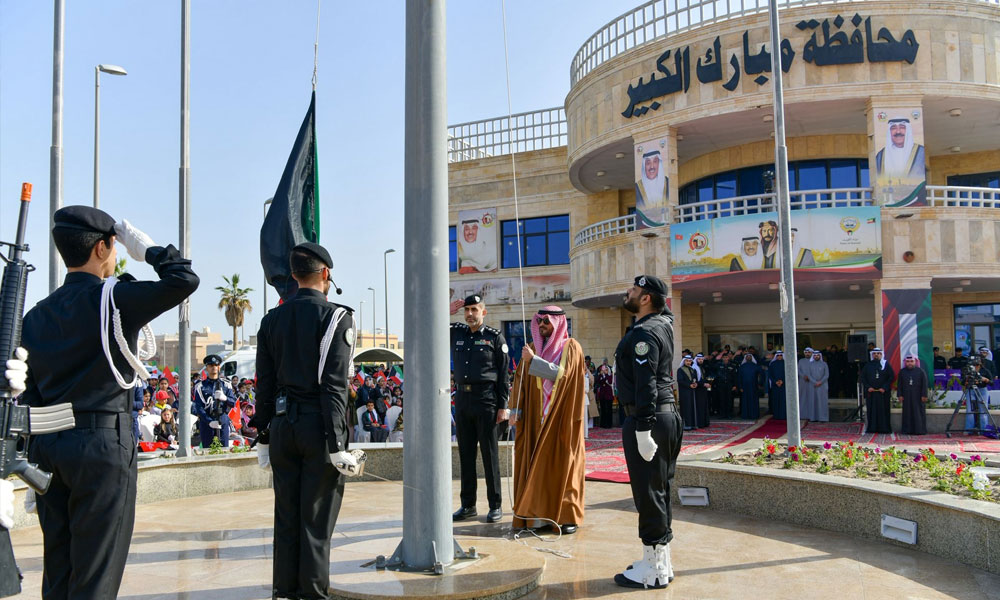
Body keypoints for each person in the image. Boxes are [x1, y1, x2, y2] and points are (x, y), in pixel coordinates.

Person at [21, 205, 198, 599]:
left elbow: (29, 396)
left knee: (59, 573)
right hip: (101, 446)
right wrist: (149, 250)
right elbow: (184, 279)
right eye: (115, 247)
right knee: (96, 575)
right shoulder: (114, 299)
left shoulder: (36, 316)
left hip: (50, 448)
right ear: (102, 248)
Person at [251, 241, 361, 600]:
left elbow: (263, 384)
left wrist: (264, 435)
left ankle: (284, 593)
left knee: (286, 518)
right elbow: (334, 385)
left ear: (295, 276)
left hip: (283, 427)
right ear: (325, 274)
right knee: (315, 523)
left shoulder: (271, 319)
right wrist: (337, 444)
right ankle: (312, 595)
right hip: (318, 428)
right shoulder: (336, 318)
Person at [613, 275, 680, 589]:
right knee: (660, 490)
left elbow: (646, 385)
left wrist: (642, 429)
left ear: (645, 299)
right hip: (664, 416)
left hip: (648, 418)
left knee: (649, 493)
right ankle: (660, 562)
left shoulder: (645, 332)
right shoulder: (661, 325)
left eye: (634, 291)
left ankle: (652, 572)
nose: (627, 293)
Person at [508, 306, 587, 534]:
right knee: (537, 466)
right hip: (535, 420)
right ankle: (537, 518)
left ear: (558, 322)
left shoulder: (571, 347)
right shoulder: (532, 349)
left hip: (562, 417)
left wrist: (534, 361)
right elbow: (520, 382)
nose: (542, 325)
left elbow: (562, 374)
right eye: (539, 321)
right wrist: (515, 410)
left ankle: (567, 516)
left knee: (565, 465)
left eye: (546, 321)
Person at [450, 295, 510, 523]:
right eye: (466, 310)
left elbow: (504, 375)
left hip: (487, 400)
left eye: (474, 309)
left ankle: (495, 505)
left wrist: (503, 406)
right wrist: (447, 309)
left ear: (483, 312)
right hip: (463, 400)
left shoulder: (494, 337)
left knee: (489, 455)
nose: (469, 314)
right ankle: (468, 505)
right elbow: (430, 326)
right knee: (466, 455)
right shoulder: (456, 332)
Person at [193, 354, 237, 447]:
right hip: (207, 422)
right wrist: (209, 421)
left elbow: (233, 403)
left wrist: (225, 398)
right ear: (207, 368)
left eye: (216, 365)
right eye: (211, 365)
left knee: (224, 450)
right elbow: (199, 407)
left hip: (222, 420)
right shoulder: (200, 386)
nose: (214, 368)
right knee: (208, 451)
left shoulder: (226, 384)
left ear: (219, 367)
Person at [861, 348, 894, 433]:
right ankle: (872, 428)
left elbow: (891, 377)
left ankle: (884, 429)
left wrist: (884, 387)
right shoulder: (868, 365)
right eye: (874, 353)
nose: (876, 355)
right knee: (872, 411)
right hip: (871, 393)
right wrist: (868, 387)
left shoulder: (886, 364)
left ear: (881, 354)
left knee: (883, 411)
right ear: (872, 355)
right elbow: (863, 377)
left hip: (883, 393)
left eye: (878, 353)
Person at [897, 355, 928, 435]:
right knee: (907, 413)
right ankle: (907, 430)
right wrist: (899, 395)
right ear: (905, 362)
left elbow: (924, 384)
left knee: (918, 413)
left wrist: (924, 395)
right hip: (906, 396)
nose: (909, 363)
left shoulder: (921, 371)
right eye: (908, 362)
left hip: (918, 396)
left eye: (911, 361)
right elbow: (899, 384)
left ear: (915, 362)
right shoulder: (902, 372)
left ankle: (919, 430)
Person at [965, 356, 994, 433]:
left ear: (980, 364)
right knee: (969, 409)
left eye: (977, 365)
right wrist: (967, 381)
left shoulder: (985, 371)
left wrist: (985, 379)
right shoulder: (968, 371)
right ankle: (969, 429)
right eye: (974, 365)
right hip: (971, 389)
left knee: (983, 410)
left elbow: (992, 383)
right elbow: (963, 381)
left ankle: (984, 430)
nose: (976, 367)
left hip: (982, 389)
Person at [804, 351, 830, 422]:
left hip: (822, 386)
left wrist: (820, 382)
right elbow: (808, 375)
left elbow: (826, 375)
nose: (816, 357)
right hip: (813, 385)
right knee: (813, 401)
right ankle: (813, 418)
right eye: (815, 355)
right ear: (813, 356)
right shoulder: (810, 364)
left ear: (820, 356)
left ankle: (823, 418)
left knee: (822, 402)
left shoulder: (824, 364)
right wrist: (815, 382)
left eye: (817, 355)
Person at [713, 352, 738, 419]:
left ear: (728, 358)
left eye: (726, 357)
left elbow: (735, 376)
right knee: (721, 400)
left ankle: (729, 414)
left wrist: (735, 385)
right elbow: (713, 368)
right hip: (721, 384)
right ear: (722, 358)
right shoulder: (718, 365)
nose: (725, 359)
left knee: (729, 400)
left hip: (729, 384)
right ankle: (722, 414)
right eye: (724, 357)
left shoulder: (732, 365)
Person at [676, 355, 698, 431]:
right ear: (684, 361)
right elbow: (680, 381)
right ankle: (686, 425)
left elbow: (695, 379)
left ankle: (692, 424)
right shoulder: (680, 370)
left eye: (690, 361)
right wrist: (689, 385)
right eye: (687, 361)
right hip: (684, 392)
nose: (688, 362)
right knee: (686, 408)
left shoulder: (693, 370)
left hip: (692, 392)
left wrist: (695, 384)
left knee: (692, 407)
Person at [738, 353, 761, 420]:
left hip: (754, 387)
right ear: (745, 358)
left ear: (752, 357)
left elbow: (761, 375)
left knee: (753, 401)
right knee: (745, 401)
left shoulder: (756, 366)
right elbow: (739, 377)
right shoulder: (742, 367)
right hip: (744, 387)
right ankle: (745, 415)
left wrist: (760, 384)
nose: (748, 357)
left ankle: (754, 415)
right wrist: (740, 387)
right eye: (747, 356)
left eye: (749, 356)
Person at [768, 351, 787, 419]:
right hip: (775, 386)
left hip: (784, 386)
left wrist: (782, 381)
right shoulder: (772, 364)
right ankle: (776, 415)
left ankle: (783, 415)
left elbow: (788, 374)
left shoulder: (786, 363)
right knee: (775, 400)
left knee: (783, 400)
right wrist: (775, 381)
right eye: (778, 355)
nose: (779, 356)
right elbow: (770, 374)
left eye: (780, 355)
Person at [694, 354, 710, 428]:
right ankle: (700, 423)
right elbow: (695, 380)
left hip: (703, 390)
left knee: (704, 406)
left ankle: (704, 422)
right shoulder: (694, 368)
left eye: (702, 359)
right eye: (699, 359)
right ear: (696, 360)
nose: (701, 360)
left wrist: (707, 383)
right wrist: (703, 384)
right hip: (698, 390)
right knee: (699, 406)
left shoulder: (702, 368)